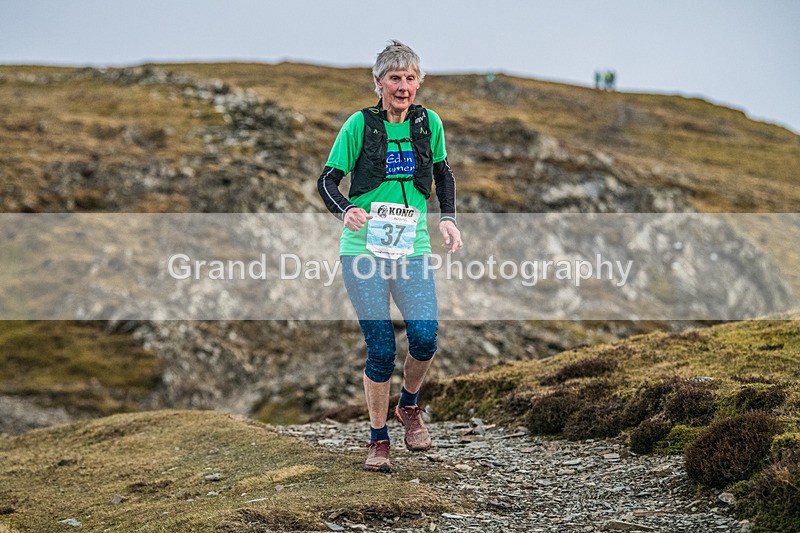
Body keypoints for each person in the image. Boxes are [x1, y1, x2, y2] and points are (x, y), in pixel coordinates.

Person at [317, 40, 462, 472]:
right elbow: (327, 181)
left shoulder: (428, 122)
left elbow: (442, 173)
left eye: (410, 79)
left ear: (419, 83)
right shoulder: (359, 125)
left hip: (410, 247)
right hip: (362, 251)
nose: (403, 87)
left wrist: (447, 218)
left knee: (424, 336)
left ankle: (410, 407)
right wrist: (347, 211)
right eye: (395, 78)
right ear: (378, 83)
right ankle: (378, 439)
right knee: (381, 348)